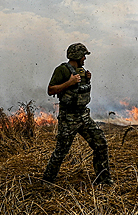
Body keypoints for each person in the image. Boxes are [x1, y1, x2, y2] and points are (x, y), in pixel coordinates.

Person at [42, 43, 114, 185]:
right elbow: (51, 90)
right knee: (61, 152)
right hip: (68, 118)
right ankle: (47, 181)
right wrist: (69, 82)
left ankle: (104, 180)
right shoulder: (62, 70)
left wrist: (87, 79)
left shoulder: (81, 71)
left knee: (100, 143)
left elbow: (81, 90)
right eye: (83, 56)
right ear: (76, 55)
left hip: (83, 116)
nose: (84, 59)